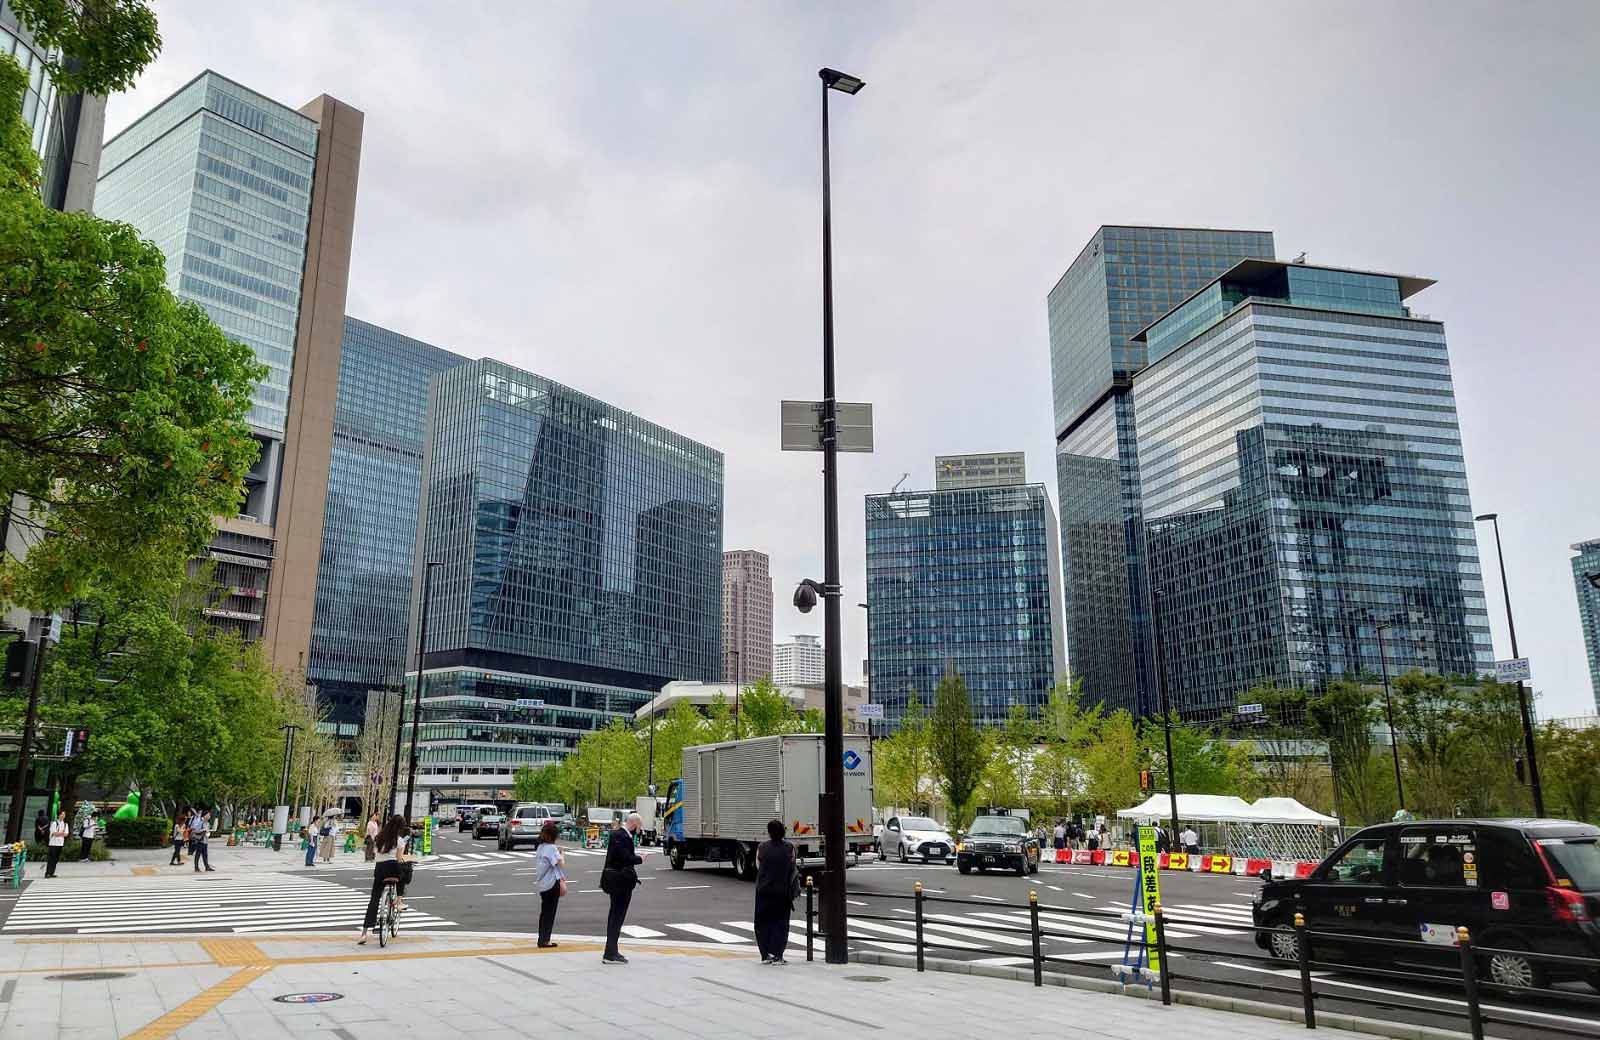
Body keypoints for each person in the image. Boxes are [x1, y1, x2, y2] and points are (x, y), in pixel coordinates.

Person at [601, 812, 644, 964]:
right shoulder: (622, 836)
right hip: (620, 882)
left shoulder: (617, 835)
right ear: (634, 824)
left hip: (615, 880)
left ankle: (611, 950)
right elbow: (625, 858)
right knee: (617, 916)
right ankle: (611, 952)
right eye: (639, 827)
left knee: (615, 915)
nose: (639, 830)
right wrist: (640, 858)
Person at [359, 815, 409, 945]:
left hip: (380, 869)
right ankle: (398, 900)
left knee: (374, 899)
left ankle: (364, 933)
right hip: (393, 868)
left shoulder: (379, 838)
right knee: (405, 871)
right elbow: (398, 858)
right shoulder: (399, 841)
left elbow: (377, 854)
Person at [754, 819, 797, 965]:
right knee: (781, 923)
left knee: (762, 923)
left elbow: (758, 866)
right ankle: (778, 955)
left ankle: (765, 954)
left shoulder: (762, 847)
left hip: (763, 890)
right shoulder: (789, 847)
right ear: (783, 832)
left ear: (769, 832)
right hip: (782, 891)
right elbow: (792, 867)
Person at [531, 821, 566, 948]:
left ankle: (542, 938)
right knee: (550, 913)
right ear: (553, 836)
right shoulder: (551, 848)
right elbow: (560, 864)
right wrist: (562, 854)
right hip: (552, 884)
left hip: (543, 884)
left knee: (544, 912)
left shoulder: (540, 847)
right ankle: (545, 940)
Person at [45, 810, 69, 878]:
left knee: (56, 859)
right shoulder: (54, 823)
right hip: (53, 843)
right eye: (62, 814)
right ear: (59, 815)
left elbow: (66, 834)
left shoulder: (65, 824)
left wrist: (60, 833)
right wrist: (61, 833)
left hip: (60, 843)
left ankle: (52, 872)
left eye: (64, 814)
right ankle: (47, 873)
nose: (63, 816)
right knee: (51, 858)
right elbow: (54, 833)